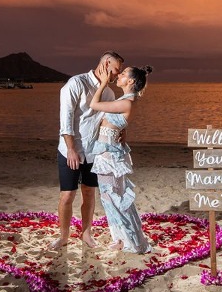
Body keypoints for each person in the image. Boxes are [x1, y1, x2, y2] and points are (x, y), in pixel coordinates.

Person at [51, 51, 125, 250]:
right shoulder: (76, 83)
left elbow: (104, 123)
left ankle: (86, 234)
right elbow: (65, 120)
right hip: (71, 150)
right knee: (67, 195)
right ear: (106, 63)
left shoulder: (108, 93)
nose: (117, 76)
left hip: (94, 151)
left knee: (89, 193)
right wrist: (71, 149)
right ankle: (63, 236)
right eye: (116, 70)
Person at [89, 63, 153, 253]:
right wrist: (123, 131)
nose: (119, 75)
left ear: (131, 81)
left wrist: (101, 84)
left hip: (109, 155)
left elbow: (94, 104)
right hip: (111, 151)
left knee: (111, 197)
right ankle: (121, 237)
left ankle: (126, 239)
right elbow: (119, 122)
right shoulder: (128, 99)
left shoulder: (126, 102)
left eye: (123, 73)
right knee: (113, 196)